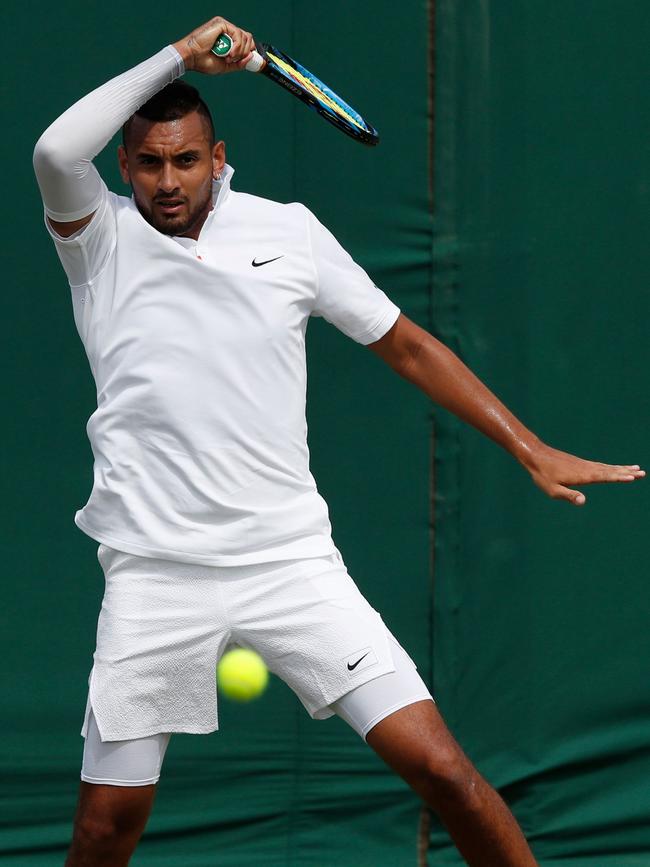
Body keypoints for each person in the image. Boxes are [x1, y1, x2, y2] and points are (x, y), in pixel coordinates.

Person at [33, 16, 643, 867]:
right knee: (105, 830)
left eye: (185, 160)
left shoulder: (288, 231)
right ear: (126, 168)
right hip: (155, 572)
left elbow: (407, 344)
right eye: (147, 163)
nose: (167, 181)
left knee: (446, 774)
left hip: (290, 563)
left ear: (219, 158)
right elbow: (58, 150)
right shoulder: (100, 242)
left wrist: (526, 444)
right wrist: (180, 54)